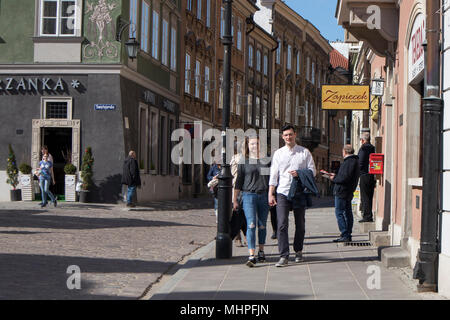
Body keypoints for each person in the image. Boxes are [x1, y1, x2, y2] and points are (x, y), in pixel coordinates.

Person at [269, 124, 316, 267]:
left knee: (300, 224)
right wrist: (270, 193)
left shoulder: (304, 152)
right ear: (283, 137)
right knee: (281, 224)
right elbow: (274, 174)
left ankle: (298, 250)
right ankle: (283, 256)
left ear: (295, 135)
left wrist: (300, 174)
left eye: (290, 134)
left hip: (298, 192)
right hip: (282, 191)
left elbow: (313, 171)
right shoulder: (278, 153)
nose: (288, 137)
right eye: (286, 135)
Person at [233, 135, 271, 267]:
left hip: (264, 195)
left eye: (257, 144)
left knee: (262, 225)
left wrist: (272, 194)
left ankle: (261, 251)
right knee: (251, 224)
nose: (255, 146)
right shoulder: (244, 161)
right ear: (248, 146)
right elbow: (239, 181)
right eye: (252, 144)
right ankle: (251, 255)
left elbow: (271, 179)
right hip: (249, 195)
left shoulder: (267, 160)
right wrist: (235, 199)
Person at [328, 145, 360, 242]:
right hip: (348, 190)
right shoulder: (354, 161)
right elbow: (345, 175)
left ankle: (345, 234)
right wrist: (336, 175)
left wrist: (334, 178)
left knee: (339, 212)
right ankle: (347, 234)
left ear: (344, 152)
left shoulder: (348, 162)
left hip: (342, 191)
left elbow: (344, 178)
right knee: (347, 212)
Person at [230, 141, 247, 247]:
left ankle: (245, 236)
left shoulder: (253, 158)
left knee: (245, 214)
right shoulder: (236, 158)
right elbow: (232, 173)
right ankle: (238, 237)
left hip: (248, 189)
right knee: (237, 213)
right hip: (237, 188)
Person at [357, 132, 376, 222]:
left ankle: (367, 216)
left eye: (361, 140)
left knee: (364, 196)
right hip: (371, 174)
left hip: (364, 174)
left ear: (363, 140)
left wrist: (357, 170)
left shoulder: (364, 148)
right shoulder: (372, 147)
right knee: (369, 195)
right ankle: (368, 215)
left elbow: (360, 162)